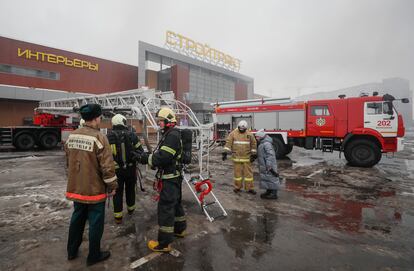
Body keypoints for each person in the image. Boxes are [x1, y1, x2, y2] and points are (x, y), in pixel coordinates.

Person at [65, 104, 118, 266]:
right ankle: (93, 255)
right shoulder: (99, 137)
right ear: (96, 118)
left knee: (77, 219)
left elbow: (68, 161)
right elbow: (107, 167)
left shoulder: (72, 136)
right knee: (95, 223)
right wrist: (112, 186)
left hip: (76, 188)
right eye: (100, 117)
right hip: (94, 190)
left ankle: (72, 251)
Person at [138, 107, 186, 252]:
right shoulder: (172, 134)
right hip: (174, 177)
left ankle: (164, 244)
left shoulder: (172, 136)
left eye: (160, 122)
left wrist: (145, 158)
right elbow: (163, 154)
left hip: (170, 179)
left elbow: (164, 157)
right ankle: (180, 230)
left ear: (168, 122)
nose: (159, 124)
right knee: (176, 204)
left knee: (165, 208)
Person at [107, 114, 144, 224]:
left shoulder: (108, 136)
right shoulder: (132, 135)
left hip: (116, 170)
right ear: (123, 122)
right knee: (130, 190)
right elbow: (140, 151)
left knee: (117, 192)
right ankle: (131, 210)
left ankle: (118, 217)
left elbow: (105, 156)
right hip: (131, 169)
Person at [222, 120, 257, 194]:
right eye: (240, 129)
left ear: (246, 128)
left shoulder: (249, 134)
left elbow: (253, 144)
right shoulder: (233, 133)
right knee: (237, 175)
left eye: (243, 129)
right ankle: (237, 187)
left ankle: (250, 188)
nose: (241, 130)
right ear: (238, 127)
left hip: (247, 158)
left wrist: (254, 154)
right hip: (236, 158)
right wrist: (225, 152)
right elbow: (228, 143)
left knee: (249, 175)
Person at [255, 129, 280, 199]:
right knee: (267, 178)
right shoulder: (262, 143)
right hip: (265, 165)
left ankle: (274, 194)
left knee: (272, 178)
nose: (256, 138)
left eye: (257, 137)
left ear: (261, 136)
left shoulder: (267, 144)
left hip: (269, 166)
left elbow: (270, 155)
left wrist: (269, 165)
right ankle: (269, 191)